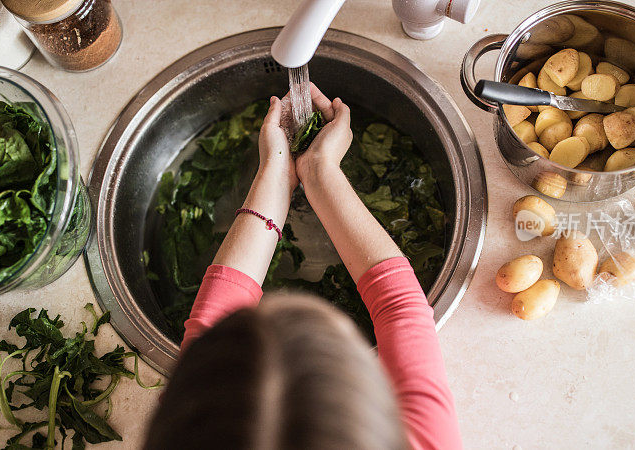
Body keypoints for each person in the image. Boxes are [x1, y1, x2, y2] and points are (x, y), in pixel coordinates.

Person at [144, 85, 462, 450]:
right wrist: (320, 170)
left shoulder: (192, 434)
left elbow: (209, 349)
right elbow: (400, 308)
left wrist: (277, 175)